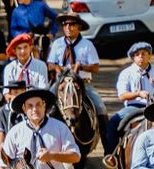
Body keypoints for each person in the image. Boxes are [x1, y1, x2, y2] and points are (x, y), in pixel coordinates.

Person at [103, 41, 154, 167]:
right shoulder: (126, 73)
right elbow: (122, 95)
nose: (141, 57)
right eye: (137, 54)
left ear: (150, 56)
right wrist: (138, 94)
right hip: (134, 107)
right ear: (133, 57)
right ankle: (111, 154)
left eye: (144, 54)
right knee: (113, 123)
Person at [47, 14, 110, 149]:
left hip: (81, 83)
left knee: (100, 108)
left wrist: (80, 66)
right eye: (65, 25)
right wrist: (57, 68)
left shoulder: (87, 45)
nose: (68, 28)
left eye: (72, 25)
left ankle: (108, 149)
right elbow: (50, 64)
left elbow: (96, 67)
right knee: (47, 105)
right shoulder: (57, 44)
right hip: (62, 83)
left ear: (79, 27)